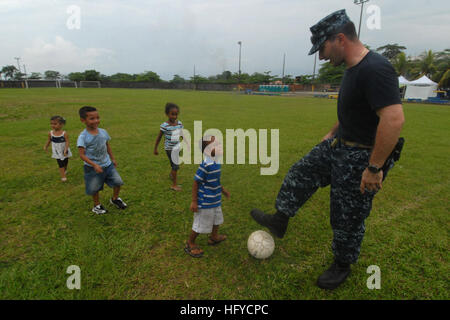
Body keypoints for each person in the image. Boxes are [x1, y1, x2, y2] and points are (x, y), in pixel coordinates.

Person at [250, 9, 405, 290]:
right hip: (339, 146)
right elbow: (354, 109)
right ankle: (280, 219)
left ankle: (342, 264)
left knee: (347, 214)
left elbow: (394, 119)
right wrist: (333, 132)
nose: (321, 56)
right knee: (302, 172)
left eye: (322, 48)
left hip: (362, 157)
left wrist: (374, 168)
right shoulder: (352, 69)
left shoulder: (375, 68)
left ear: (341, 38)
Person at [185, 136, 230, 258]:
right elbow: (196, 182)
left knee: (217, 220)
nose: (220, 147)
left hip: (215, 200)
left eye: (219, 144)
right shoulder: (205, 165)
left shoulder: (217, 162)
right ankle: (190, 243)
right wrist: (194, 201)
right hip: (205, 202)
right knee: (200, 225)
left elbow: (215, 180)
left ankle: (214, 237)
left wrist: (223, 190)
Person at [77, 106, 127, 214]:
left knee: (118, 182)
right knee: (95, 188)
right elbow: (82, 155)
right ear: (83, 120)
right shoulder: (83, 136)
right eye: (92, 118)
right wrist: (94, 165)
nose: (96, 121)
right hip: (92, 168)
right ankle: (97, 206)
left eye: (97, 118)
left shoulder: (103, 132)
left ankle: (115, 199)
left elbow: (107, 145)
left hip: (107, 164)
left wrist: (112, 158)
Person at [154, 103, 184, 191]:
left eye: (176, 114)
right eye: (172, 114)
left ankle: (172, 174)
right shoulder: (164, 126)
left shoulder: (179, 123)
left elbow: (181, 133)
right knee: (175, 166)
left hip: (177, 147)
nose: (175, 116)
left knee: (174, 164)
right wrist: (155, 148)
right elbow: (159, 138)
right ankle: (174, 185)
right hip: (169, 149)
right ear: (167, 114)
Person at [44, 116, 72, 182]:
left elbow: (67, 142)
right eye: (51, 124)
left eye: (55, 124)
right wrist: (46, 146)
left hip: (64, 149)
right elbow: (49, 140)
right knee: (60, 163)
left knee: (65, 161)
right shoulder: (50, 133)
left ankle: (65, 170)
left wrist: (65, 149)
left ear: (61, 124)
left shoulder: (64, 133)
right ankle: (63, 176)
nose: (53, 125)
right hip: (56, 150)